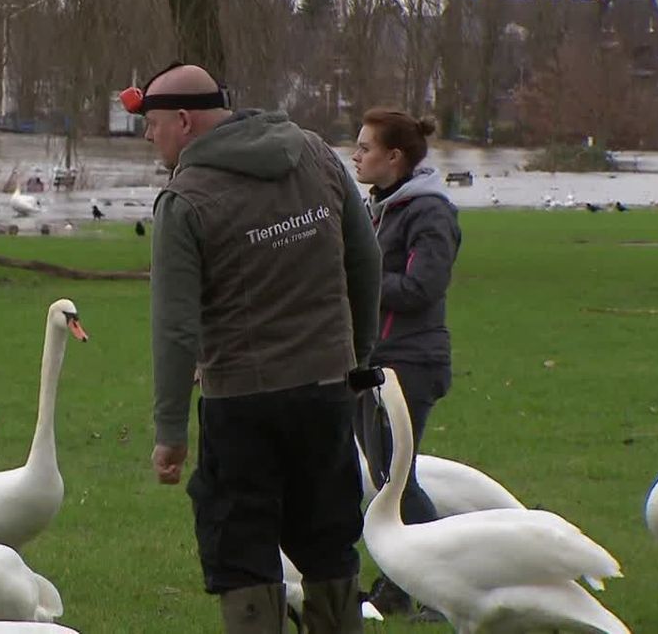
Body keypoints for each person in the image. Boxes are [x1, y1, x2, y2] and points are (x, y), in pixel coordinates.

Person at [135, 62, 382, 633]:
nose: (149, 137)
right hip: (325, 392)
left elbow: (174, 328)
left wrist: (170, 432)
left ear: (183, 119)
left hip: (241, 403)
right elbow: (366, 258)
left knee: (241, 550)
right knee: (328, 543)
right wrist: (357, 358)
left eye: (152, 125)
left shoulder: (184, 199)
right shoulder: (317, 154)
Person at [350, 108, 461, 616]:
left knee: (398, 479)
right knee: (383, 475)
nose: (355, 155)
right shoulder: (381, 207)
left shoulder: (429, 212)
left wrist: (354, 280)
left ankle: (442, 588)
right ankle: (398, 586)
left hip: (410, 364)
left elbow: (422, 287)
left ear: (393, 157)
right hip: (374, 363)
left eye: (365, 148)